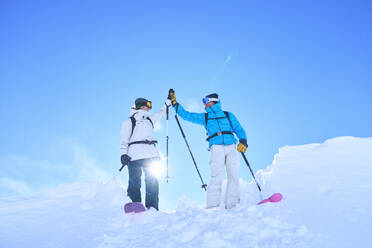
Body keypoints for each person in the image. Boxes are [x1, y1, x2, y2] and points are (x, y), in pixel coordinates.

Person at [168, 89, 248, 209]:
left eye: (206, 101)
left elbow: (239, 129)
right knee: (216, 176)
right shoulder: (205, 117)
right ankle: (213, 206)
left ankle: (233, 205)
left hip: (231, 146)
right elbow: (187, 115)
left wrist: (243, 141)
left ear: (213, 101)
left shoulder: (228, 115)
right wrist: (175, 104)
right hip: (216, 147)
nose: (204, 104)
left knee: (233, 175)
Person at [120, 97, 171, 210]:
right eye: (148, 105)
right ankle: (136, 204)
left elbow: (162, 113)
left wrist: (167, 103)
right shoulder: (130, 121)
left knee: (150, 180)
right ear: (142, 106)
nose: (149, 108)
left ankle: (150, 206)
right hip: (135, 155)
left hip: (149, 155)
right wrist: (123, 154)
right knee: (136, 181)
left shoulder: (149, 120)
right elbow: (124, 140)